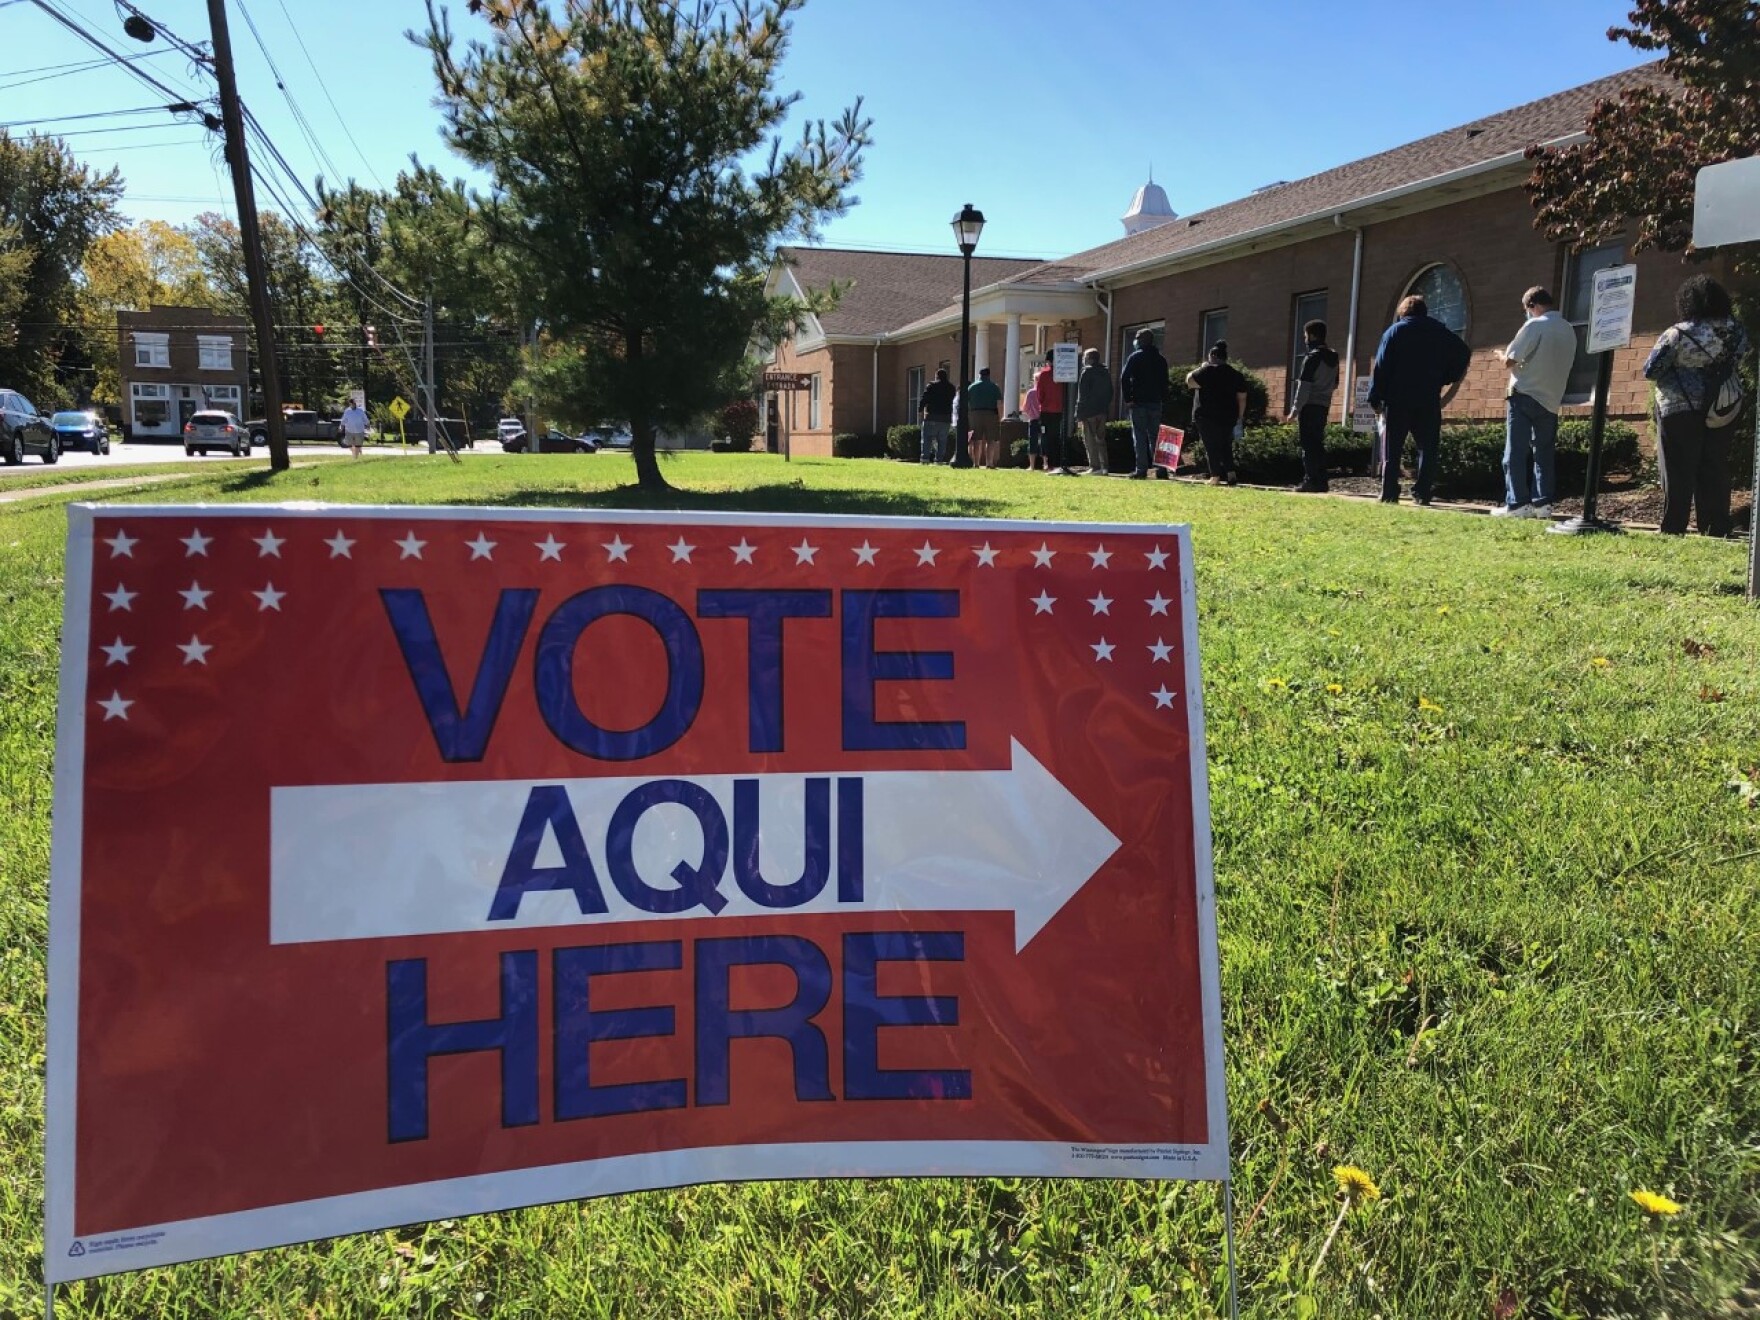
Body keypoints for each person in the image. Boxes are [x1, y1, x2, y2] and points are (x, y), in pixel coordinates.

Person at [1643, 274, 1751, 536]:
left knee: (1678, 469)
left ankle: (1674, 526)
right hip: (1722, 406)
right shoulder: (1735, 329)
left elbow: (1651, 369)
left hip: (1678, 407)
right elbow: (1741, 356)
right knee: (1714, 464)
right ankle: (1715, 526)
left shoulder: (1678, 332)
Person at [1367, 294, 1472, 505]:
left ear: (1403, 312)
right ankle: (1422, 493)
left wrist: (1375, 397)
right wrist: (1446, 377)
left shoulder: (1395, 331)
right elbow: (1463, 353)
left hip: (1397, 398)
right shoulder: (1439, 332)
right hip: (1427, 397)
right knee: (1428, 447)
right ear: (1424, 311)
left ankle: (1389, 492)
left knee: (1392, 448)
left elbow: (1381, 366)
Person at [1492, 286, 1577, 519]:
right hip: (1551, 399)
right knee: (1544, 453)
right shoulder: (1568, 329)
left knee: (1515, 452)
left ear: (1533, 306)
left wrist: (1499, 354)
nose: (1526, 314)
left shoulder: (1534, 325)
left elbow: (1510, 360)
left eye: (1526, 310)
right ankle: (1543, 504)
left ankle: (1517, 504)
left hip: (1524, 394)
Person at [1285, 321, 1338, 492]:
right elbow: (1335, 383)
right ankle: (1322, 481)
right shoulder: (1334, 357)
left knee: (1308, 445)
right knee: (1318, 443)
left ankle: (1310, 480)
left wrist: (1294, 410)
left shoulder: (1312, 357)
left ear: (1313, 335)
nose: (1305, 339)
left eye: (1306, 336)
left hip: (1309, 405)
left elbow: (1304, 387)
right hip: (1323, 405)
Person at [1186, 342, 1249, 485]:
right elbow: (1242, 397)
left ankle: (1215, 476)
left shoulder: (1206, 371)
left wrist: (1201, 367)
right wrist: (1240, 415)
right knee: (1226, 444)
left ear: (1212, 356)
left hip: (1206, 416)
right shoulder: (1235, 374)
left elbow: (1189, 381)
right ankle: (1231, 473)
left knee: (1211, 445)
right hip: (1228, 415)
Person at [1119, 328, 1169, 479]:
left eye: (1137, 338)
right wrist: (1163, 399)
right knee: (1156, 437)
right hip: (1155, 402)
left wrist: (1128, 399)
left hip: (1139, 403)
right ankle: (1161, 470)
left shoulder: (1135, 357)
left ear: (1140, 340)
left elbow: (1124, 378)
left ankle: (1141, 469)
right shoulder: (1161, 359)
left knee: (1139, 436)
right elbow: (1165, 382)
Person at [1074, 347, 1113, 474]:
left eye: (1085, 357)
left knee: (1090, 439)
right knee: (1101, 439)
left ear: (1090, 359)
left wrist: (1078, 413)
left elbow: (1082, 395)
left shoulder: (1086, 372)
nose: (1084, 360)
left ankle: (1094, 466)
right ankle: (1104, 466)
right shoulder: (1105, 372)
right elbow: (1110, 392)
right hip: (1102, 411)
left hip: (1089, 412)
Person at [1034, 351, 1070, 474]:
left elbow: (1039, 395)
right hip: (1060, 410)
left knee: (1046, 437)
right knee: (1057, 436)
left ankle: (1049, 463)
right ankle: (1059, 461)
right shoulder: (1065, 374)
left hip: (1046, 411)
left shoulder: (1044, 374)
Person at [965, 366, 1004, 468]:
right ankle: (989, 463)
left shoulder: (971, 387)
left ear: (979, 375)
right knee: (990, 440)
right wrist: (1000, 417)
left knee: (976, 440)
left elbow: (966, 403)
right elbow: (999, 403)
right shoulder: (994, 387)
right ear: (989, 375)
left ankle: (976, 463)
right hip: (991, 414)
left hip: (975, 414)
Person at [918, 367, 956, 464]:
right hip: (946, 418)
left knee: (927, 439)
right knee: (942, 440)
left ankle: (925, 458)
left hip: (932, 416)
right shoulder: (951, 387)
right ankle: (939, 459)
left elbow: (925, 398)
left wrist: (920, 408)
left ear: (937, 376)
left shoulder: (931, 385)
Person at [1022, 378, 1043, 469]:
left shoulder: (1031, 393)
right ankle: (1045, 463)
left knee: (1032, 442)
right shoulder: (1044, 391)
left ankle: (1032, 465)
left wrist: (1030, 413)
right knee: (1045, 440)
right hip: (1044, 420)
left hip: (1033, 420)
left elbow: (1025, 408)